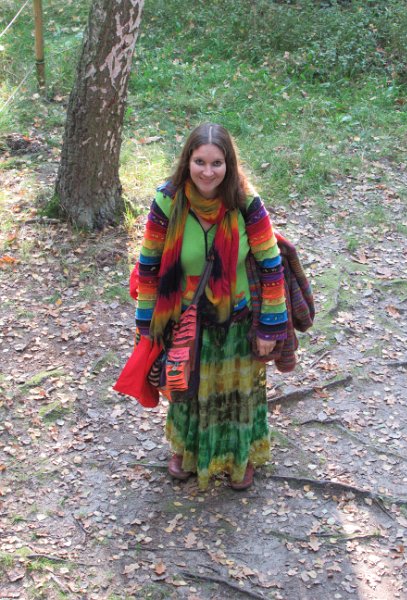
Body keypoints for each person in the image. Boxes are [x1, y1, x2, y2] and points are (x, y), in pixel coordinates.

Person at [135, 123, 287, 491]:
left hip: (237, 320)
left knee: (238, 395)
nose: (207, 172)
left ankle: (239, 458)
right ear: (187, 161)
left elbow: (271, 265)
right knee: (187, 390)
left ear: (228, 164)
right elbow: (149, 265)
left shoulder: (246, 203)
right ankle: (188, 453)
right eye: (200, 162)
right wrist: (146, 324)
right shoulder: (168, 201)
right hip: (186, 321)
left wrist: (270, 327)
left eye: (216, 163)